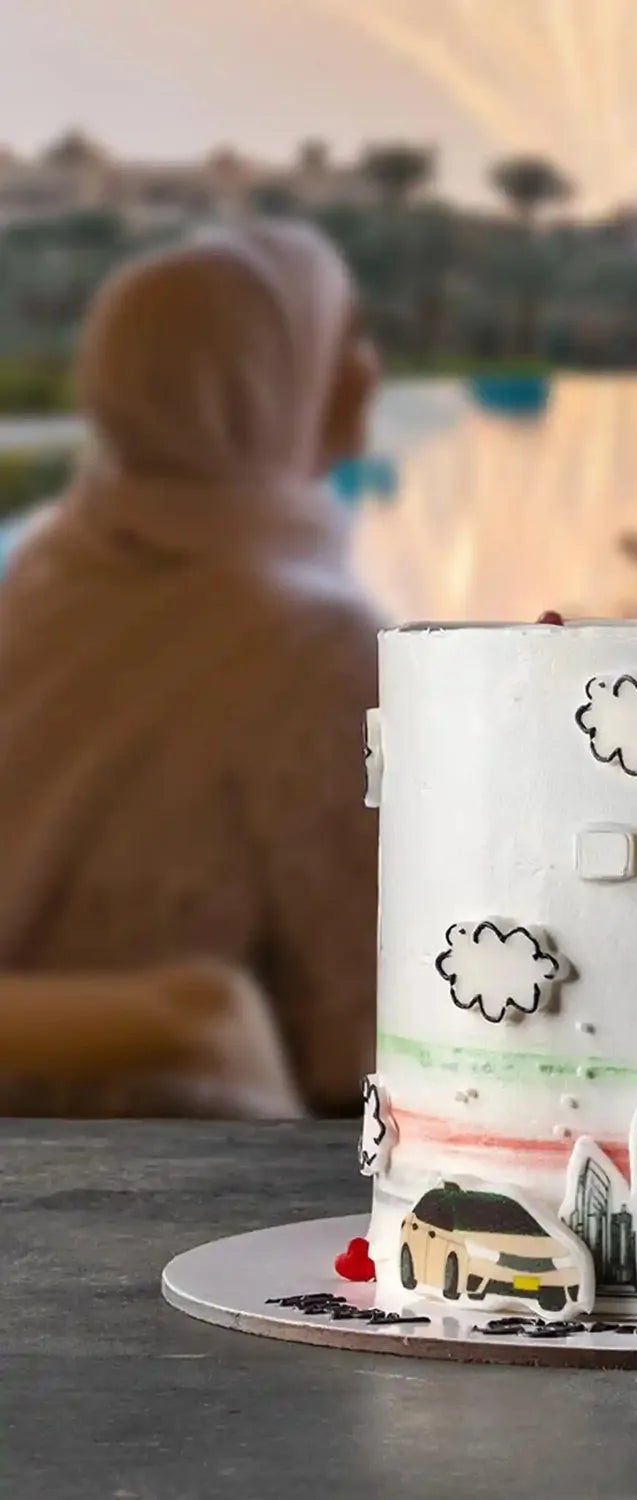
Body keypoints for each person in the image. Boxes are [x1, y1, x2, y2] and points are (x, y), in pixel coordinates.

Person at [0, 221, 384, 1114]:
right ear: (258, 388)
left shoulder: (49, 569)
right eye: (333, 345)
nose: (364, 373)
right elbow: (374, 1046)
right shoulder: (315, 648)